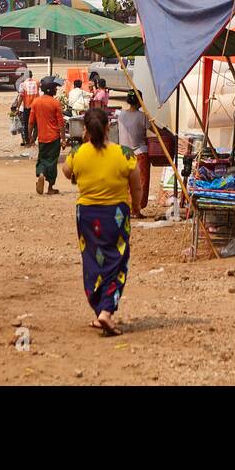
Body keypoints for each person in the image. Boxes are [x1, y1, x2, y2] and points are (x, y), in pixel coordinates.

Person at [62, 108, 141, 336]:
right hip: (115, 216)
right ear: (109, 128)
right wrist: (135, 206)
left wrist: (78, 171)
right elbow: (136, 185)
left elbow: (67, 172)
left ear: (85, 130)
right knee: (116, 260)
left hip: (87, 214)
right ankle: (106, 311)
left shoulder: (78, 153)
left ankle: (100, 309)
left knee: (92, 261)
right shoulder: (124, 154)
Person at [116, 90, 151, 215]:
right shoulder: (142, 116)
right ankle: (136, 209)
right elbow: (153, 128)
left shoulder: (121, 115)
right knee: (140, 182)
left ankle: (128, 208)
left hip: (124, 154)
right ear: (139, 101)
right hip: (139, 153)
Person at [29, 76, 65, 195]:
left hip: (42, 138)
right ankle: (50, 188)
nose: (56, 89)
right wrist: (64, 139)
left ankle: (41, 173)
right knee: (52, 162)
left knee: (42, 159)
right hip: (54, 138)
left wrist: (30, 137)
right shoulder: (55, 103)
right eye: (55, 87)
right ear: (50, 89)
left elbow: (31, 122)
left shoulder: (36, 102)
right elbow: (61, 124)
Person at [17, 70, 39, 147]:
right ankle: (33, 140)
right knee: (36, 125)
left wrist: (18, 107)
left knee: (26, 124)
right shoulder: (37, 82)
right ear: (31, 75)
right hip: (36, 107)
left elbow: (21, 96)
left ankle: (27, 141)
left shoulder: (23, 84)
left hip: (27, 107)